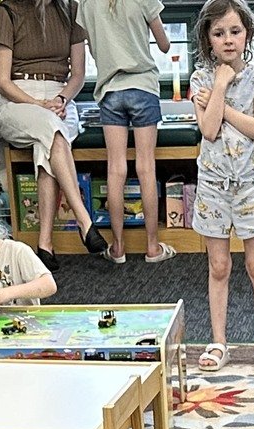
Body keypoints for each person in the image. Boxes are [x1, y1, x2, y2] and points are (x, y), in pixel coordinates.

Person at [188, 0, 254, 372]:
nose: (228, 40)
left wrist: (221, 102)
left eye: (235, 31)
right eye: (219, 33)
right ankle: (219, 341)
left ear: (248, 35)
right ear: (207, 39)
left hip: (250, 185)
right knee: (219, 265)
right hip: (212, 186)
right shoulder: (200, 79)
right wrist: (220, 83)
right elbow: (207, 132)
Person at [0, 0, 111, 265]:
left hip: (60, 101)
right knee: (52, 131)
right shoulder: (7, 11)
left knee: (48, 144)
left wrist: (62, 99)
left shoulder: (71, 9)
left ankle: (44, 246)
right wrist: (38, 105)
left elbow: (78, 74)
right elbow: (1, 80)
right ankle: (85, 220)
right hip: (18, 100)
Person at [78, 0, 176, 265]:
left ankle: (118, 248)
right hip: (143, 87)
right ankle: (153, 247)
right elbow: (165, 44)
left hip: (109, 91)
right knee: (146, 167)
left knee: (115, 169)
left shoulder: (86, 4)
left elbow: (94, 47)